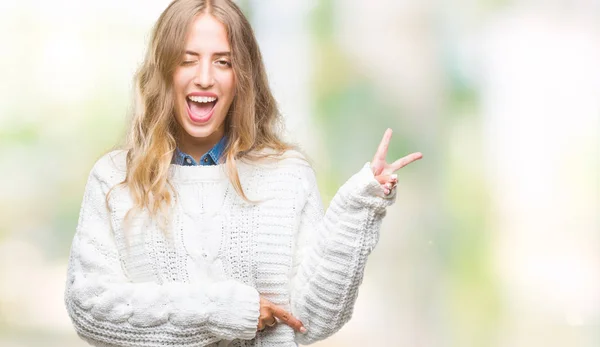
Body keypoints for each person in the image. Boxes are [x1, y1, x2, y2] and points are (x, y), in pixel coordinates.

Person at [63, 0, 422, 346]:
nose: (205, 77)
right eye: (188, 61)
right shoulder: (114, 179)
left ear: (242, 77)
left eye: (223, 62)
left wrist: (357, 208)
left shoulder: (286, 175)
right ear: (164, 72)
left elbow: (312, 320)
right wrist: (226, 311)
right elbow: (88, 308)